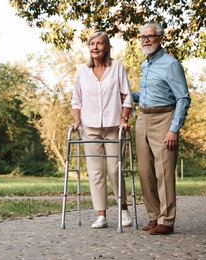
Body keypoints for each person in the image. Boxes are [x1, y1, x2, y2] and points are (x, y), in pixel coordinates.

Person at [132, 23, 191, 235]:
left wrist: (174, 129)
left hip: (164, 118)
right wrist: (130, 95)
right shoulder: (145, 65)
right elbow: (148, 94)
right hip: (143, 118)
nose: (145, 40)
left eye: (150, 36)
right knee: (145, 172)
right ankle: (153, 216)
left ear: (160, 38)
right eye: (143, 37)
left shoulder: (171, 64)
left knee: (164, 171)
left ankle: (166, 221)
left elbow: (183, 98)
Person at [71, 31, 133, 228]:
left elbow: (127, 96)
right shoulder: (82, 71)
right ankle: (101, 215)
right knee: (96, 172)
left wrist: (124, 119)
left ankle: (123, 209)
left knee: (115, 169)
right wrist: (77, 121)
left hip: (114, 126)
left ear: (107, 47)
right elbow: (76, 100)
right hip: (90, 127)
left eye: (99, 43)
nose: (95, 47)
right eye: (91, 44)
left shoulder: (117, 68)